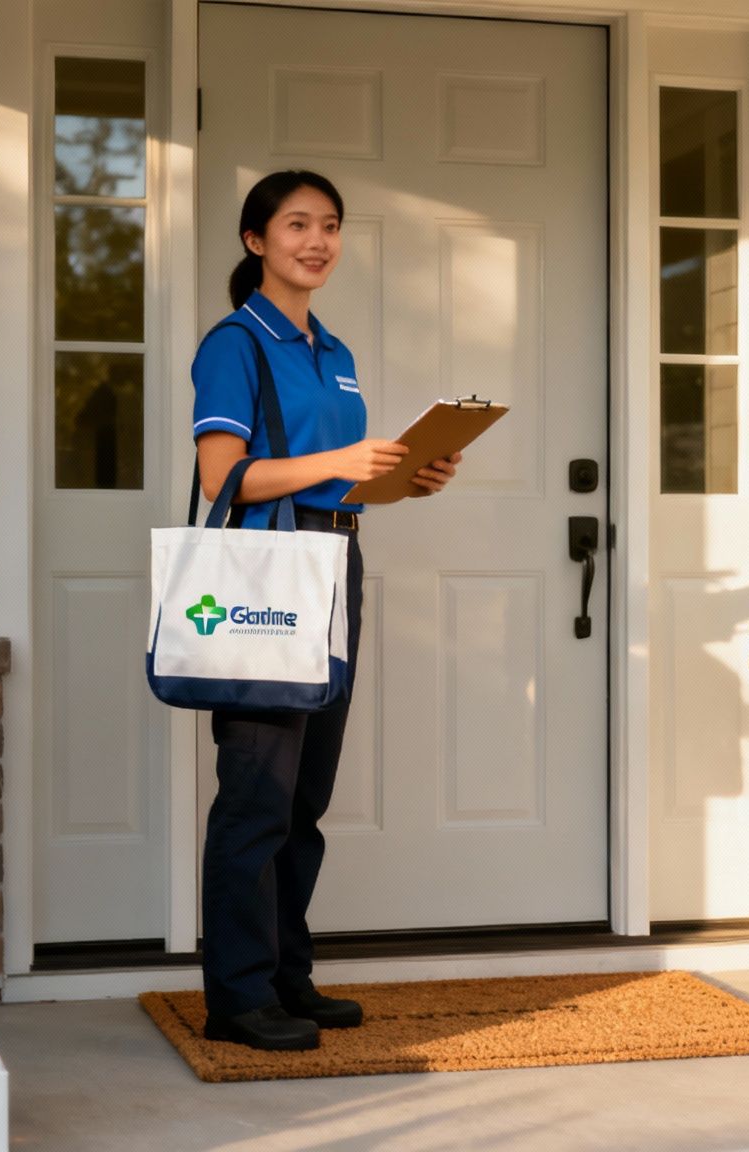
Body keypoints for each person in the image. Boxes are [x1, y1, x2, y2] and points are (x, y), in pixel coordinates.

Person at [189, 169, 461, 1052]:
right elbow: (224, 476)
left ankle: (284, 979)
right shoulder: (236, 343)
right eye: (297, 224)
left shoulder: (334, 354)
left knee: (306, 795)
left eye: (331, 226)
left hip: (338, 559)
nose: (318, 240)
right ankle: (235, 998)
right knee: (256, 793)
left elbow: (339, 480)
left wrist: (406, 478)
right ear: (255, 240)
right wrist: (342, 456)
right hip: (271, 574)